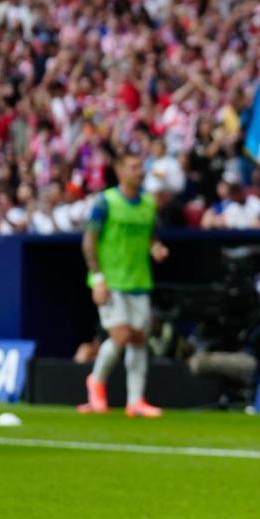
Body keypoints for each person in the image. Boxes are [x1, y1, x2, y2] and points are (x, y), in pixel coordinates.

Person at [78, 153, 170, 418]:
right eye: (134, 167)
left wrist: (156, 248)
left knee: (139, 340)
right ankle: (96, 382)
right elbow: (89, 241)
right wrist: (97, 279)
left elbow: (151, 237)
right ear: (120, 172)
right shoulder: (105, 202)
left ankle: (135, 401)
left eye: (141, 166)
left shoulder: (149, 204)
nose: (140, 171)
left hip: (139, 281)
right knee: (121, 337)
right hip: (111, 281)